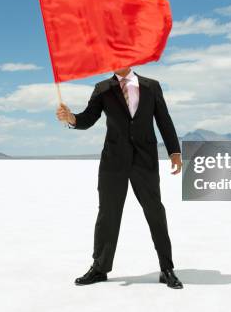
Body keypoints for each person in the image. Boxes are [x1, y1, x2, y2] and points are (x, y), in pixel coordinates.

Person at [56, 66, 184, 289]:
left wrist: (174, 151)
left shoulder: (151, 86)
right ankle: (99, 268)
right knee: (108, 214)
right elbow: (88, 118)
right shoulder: (102, 89)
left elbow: (163, 119)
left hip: (145, 160)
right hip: (113, 162)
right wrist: (72, 118)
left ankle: (166, 268)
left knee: (155, 211)